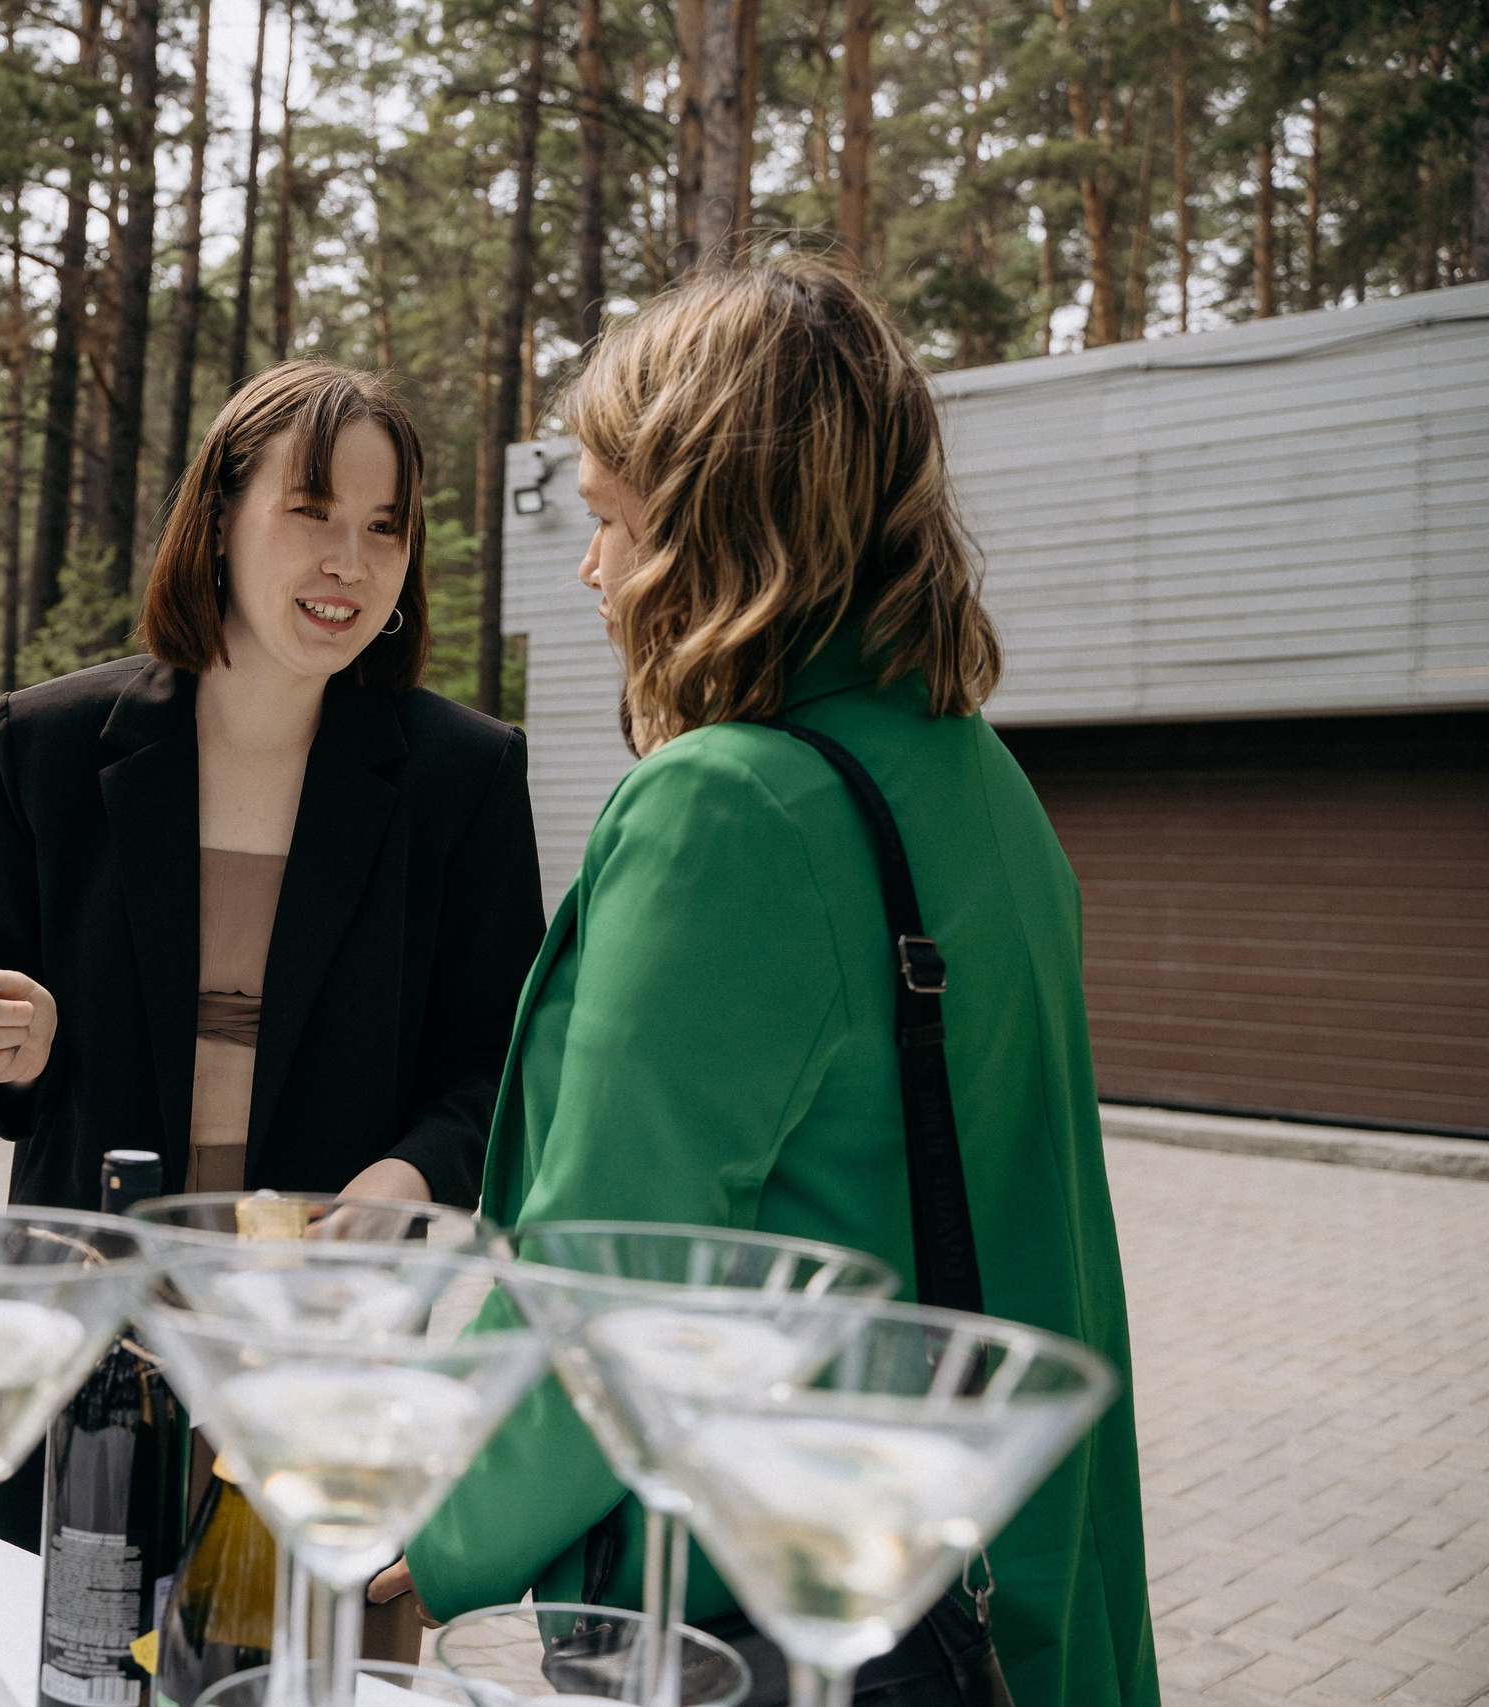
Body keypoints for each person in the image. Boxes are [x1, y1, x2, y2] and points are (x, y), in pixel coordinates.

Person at [377, 262, 1157, 1707]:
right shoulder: (978, 779)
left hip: (754, 1589)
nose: (590, 570)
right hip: (989, 1570)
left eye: (609, 518)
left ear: (713, 526)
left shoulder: (728, 808)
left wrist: (429, 1533)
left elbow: (614, 1269)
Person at [0, 361, 545, 1213]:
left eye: (384, 527)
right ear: (219, 519)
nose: (350, 563)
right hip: (83, 1274)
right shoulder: (45, 746)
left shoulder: (466, 776)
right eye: (312, 511)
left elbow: (501, 1065)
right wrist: (12, 1049)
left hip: (322, 1283)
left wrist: (408, 1177)